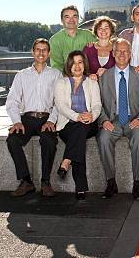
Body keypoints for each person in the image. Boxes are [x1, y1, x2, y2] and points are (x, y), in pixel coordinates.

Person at [5, 38, 62, 197]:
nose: (41, 52)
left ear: (49, 53)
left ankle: (45, 182)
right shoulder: (22, 75)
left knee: (49, 140)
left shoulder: (55, 74)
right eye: (38, 49)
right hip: (27, 118)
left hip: (47, 118)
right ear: (32, 52)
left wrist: (52, 120)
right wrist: (16, 121)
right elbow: (12, 101)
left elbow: (60, 101)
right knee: (13, 140)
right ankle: (26, 181)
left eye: (44, 50)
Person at [96, 38, 139, 201]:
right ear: (113, 53)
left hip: (134, 119)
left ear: (131, 54)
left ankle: (137, 184)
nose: (122, 54)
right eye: (118, 51)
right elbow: (98, 103)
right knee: (103, 138)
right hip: (114, 121)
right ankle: (111, 182)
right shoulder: (104, 76)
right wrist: (104, 120)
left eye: (125, 51)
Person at [54, 51, 102, 200]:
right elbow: (61, 106)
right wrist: (77, 116)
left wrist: (91, 115)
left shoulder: (92, 82)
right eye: (73, 62)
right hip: (67, 124)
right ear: (69, 65)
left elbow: (96, 104)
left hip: (89, 123)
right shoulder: (61, 83)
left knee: (81, 128)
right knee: (78, 134)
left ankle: (66, 160)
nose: (77, 65)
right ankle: (80, 187)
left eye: (80, 62)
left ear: (84, 64)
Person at [49, 5, 97, 73]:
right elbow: (56, 66)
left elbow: (100, 53)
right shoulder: (54, 40)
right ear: (62, 20)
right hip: (65, 79)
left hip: (88, 78)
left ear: (78, 19)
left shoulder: (89, 35)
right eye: (67, 17)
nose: (71, 20)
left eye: (74, 16)